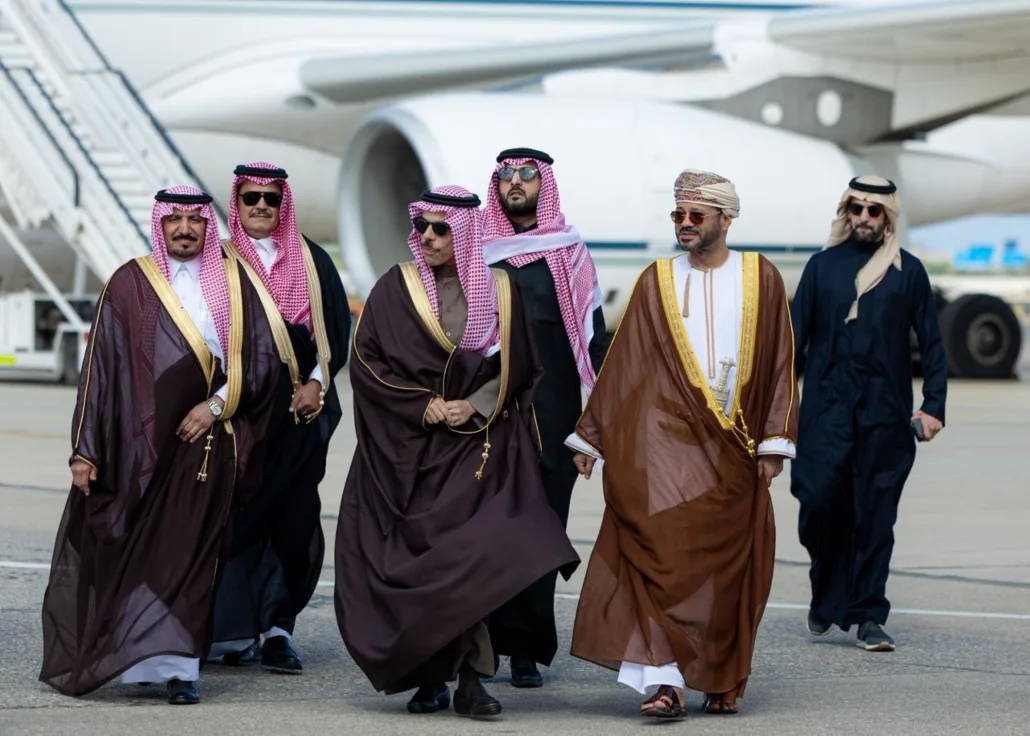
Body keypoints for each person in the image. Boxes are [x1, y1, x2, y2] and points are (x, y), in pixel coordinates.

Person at [334, 185, 580, 718]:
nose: (427, 237)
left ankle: (472, 679)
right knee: (423, 567)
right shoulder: (395, 287)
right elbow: (367, 361)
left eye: (440, 229)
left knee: (470, 562)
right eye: (421, 227)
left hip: (479, 447)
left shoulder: (501, 290)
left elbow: (521, 367)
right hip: (411, 451)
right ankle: (428, 677)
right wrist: (422, 405)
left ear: (464, 233)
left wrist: (474, 404)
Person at [565, 169, 798, 718]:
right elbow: (624, 363)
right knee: (656, 559)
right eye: (678, 215)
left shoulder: (760, 276)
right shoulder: (658, 279)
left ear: (726, 219)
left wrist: (774, 441)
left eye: (696, 215)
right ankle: (664, 682)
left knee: (725, 569)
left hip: (734, 446)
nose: (685, 224)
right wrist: (591, 437)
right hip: (663, 446)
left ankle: (717, 673)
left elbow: (780, 361)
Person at [38, 187, 279, 705]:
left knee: (187, 550)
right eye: (176, 220)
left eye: (195, 220)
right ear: (160, 224)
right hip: (139, 446)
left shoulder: (237, 282)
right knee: (138, 548)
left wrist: (216, 406)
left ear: (207, 226)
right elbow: (100, 370)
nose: (185, 229)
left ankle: (180, 668)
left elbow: (261, 360)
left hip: (205, 443)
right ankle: (141, 658)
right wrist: (85, 449)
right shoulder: (130, 282)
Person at [790, 175, 947, 652]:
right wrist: (777, 408)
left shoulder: (909, 272)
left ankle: (868, 614)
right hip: (825, 412)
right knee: (818, 502)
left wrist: (933, 406)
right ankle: (826, 593)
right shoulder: (821, 267)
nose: (863, 217)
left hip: (885, 415)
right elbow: (791, 344)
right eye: (856, 208)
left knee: (875, 517)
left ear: (887, 216)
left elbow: (932, 342)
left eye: (873, 210)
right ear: (847, 211)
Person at [208, 161, 352, 673]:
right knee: (238, 522)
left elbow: (335, 330)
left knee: (294, 522)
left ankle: (277, 630)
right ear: (237, 202)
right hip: (240, 418)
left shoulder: (313, 260)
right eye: (251, 198)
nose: (262, 206)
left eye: (271, 198)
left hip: (298, 416)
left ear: (283, 202)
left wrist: (316, 384)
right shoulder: (218, 261)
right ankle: (235, 630)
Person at [479, 147, 608, 687]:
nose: (516, 182)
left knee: (542, 529)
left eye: (527, 175)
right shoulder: (478, 251)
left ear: (543, 184)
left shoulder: (568, 252)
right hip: (489, 415)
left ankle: (527, 648)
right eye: (506, 175)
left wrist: (594, 430)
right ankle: (483, 645)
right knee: (488, 531)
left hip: (554, 418)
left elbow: (594, 342)